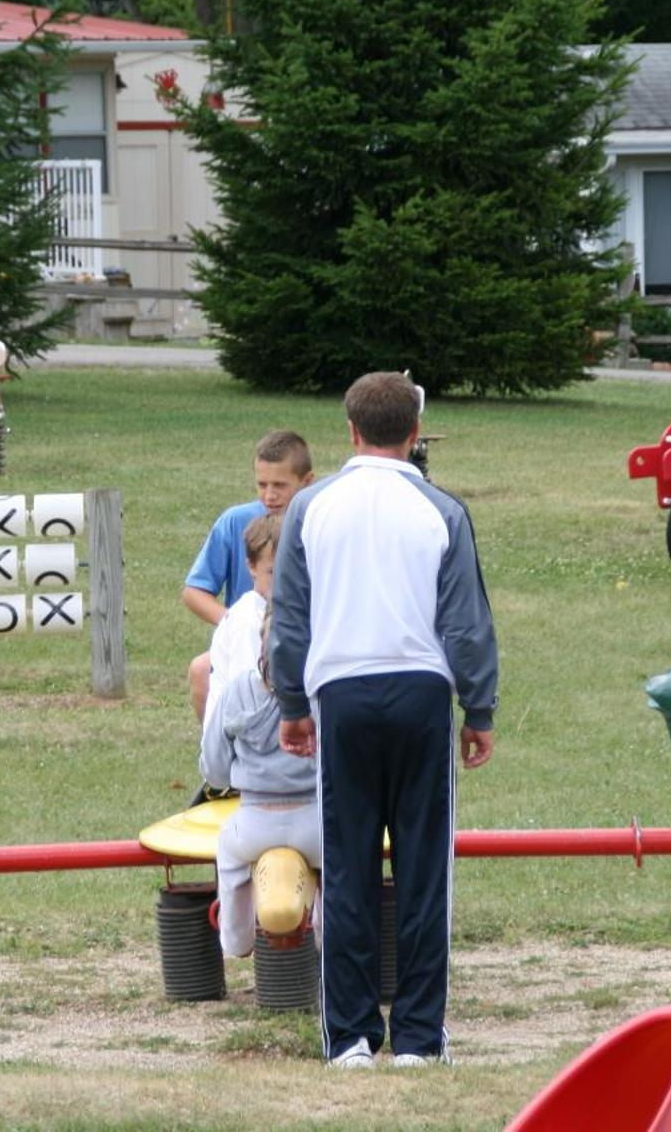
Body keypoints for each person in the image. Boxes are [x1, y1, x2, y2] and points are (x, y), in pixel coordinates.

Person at [269, 372, 497, 1071]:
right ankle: (421, 1038)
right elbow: (465, 624)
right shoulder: (441, 508)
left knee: (348, 865)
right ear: (416, 433)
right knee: (426, 869)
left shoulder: (310, 507)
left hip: (341, 694)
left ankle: (351, 1036)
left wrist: (290, 702)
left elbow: (290, 617)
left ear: (351, 430)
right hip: (423, 692)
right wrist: (478, 706)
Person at [198, 514, 321, 958]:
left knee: (228, 859)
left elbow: (212, 764)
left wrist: (235, 770)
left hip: (254, 820)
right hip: (314, 819)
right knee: (340, 865)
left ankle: (235, 939)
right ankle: (330, 935)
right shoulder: (319, 695)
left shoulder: (236, 693)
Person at [183, 430, 313, 722]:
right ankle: (220, 752)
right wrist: (237, 622)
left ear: (307, 482)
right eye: (262, 484)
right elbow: (194, 592)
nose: (269, 495)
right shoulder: (236, 521)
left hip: (303, 638)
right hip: (245, 643)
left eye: (280, 485)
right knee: (201, 669)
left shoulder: (318, 522)